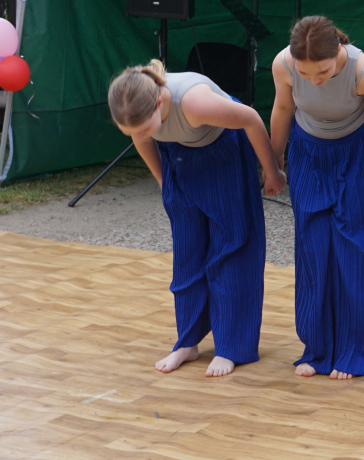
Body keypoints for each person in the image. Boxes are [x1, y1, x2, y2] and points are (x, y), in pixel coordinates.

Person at [108, 59, 285, 377]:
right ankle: (187, 342)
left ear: (159, 103)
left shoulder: (195, 102)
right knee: (187, 254)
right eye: (129, 131)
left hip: (223, 152)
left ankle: (231, 347)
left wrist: (272, 171)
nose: (139, 134)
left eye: (144, 127)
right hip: (179, 157)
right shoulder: (136, 111)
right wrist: (165, 183)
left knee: (232, 247)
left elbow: (251, 120)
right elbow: (143, 141)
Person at [271, 16, 364, 380]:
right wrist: (274, 161)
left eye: (322, 72)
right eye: (305, 74)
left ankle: (359, 350)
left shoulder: (362, 70)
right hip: (308, 152)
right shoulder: (283, 64)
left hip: (356, 151)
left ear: (338, 50)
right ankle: (317, 349)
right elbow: (283, 109)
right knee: (313, 247)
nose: (314, 80)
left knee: (360, 248)